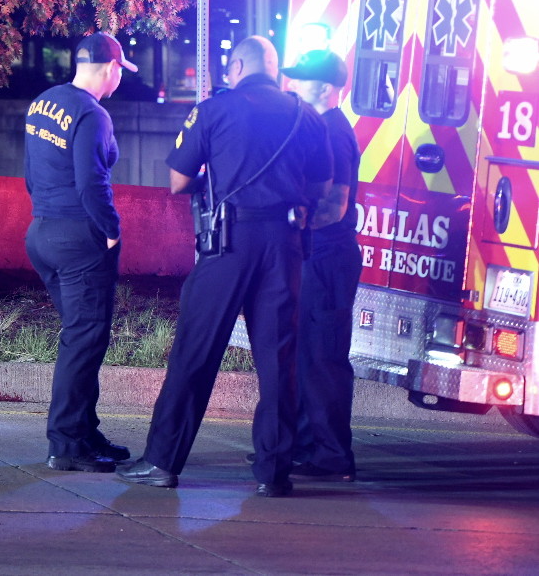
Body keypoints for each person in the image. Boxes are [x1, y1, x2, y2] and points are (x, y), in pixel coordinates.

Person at [117, 35, 332, 496]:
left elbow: (177, 181)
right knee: (278, 360)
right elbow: (323, 188)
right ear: (273, 69)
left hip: (229, 243)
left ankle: (161, 462)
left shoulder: (215, 111)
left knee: (196, 352)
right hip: (286, 245)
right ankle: (275, 473)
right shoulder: (306, 115)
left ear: (236, 66)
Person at [24, 32, 137, 473]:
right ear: (110, 68)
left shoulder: (43, 102)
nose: (118, 80)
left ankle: (84, 433)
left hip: (42, 233)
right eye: (119, 72)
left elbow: (32, 173)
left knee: (80, 338)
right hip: (79, 239)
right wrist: (110, 230)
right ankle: (68, 443)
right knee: (84, 340)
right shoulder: (93, 114)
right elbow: (93, 182)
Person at [280, 49, 362, 483]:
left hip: (328, 255)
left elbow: (335, 204)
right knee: (307, 352)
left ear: (327, 88)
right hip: (319, 253)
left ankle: (332, 456)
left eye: (302, 79)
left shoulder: (332, 130)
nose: (292, 84)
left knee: (324, 357)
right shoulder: (319, 126)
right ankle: (307, 447)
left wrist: (293, 218)